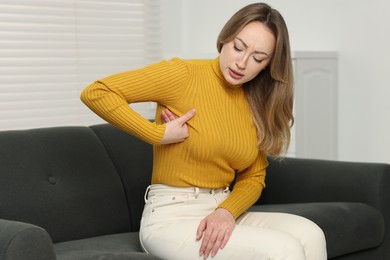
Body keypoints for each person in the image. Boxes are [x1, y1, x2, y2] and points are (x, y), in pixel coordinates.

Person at [80, 2, 327, 260]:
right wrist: (157, 134)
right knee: (283, 249)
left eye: (257, 58)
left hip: (222, 209)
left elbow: (254, 176)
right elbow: (96, 92)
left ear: (267, 65)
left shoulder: (254, 100)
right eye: (238, 47)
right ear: (224, 39)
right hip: (172, 217)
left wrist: (226, 211)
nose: (241, 62)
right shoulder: (183, 74)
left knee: (310, 233)